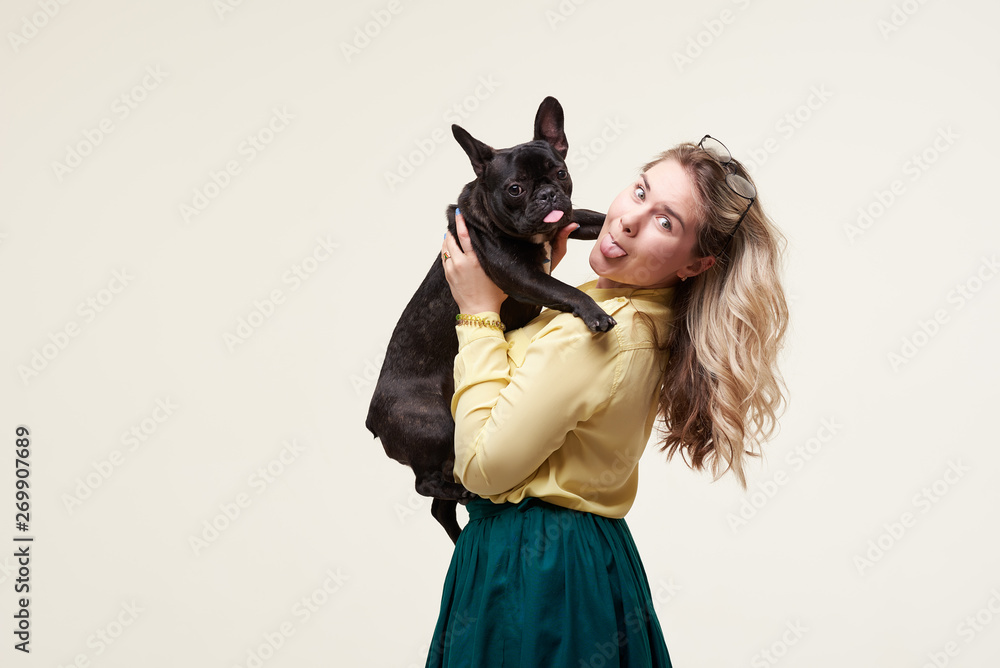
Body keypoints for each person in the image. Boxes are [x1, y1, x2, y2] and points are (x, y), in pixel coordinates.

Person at [426, 136, 789, 667]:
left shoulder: (597, 335)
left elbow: (482, 469)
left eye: (667, 222)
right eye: (640, 191)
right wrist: (530, 279)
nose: (627, 220)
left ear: (696, 264)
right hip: (586, 561)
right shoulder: (631, 316)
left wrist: (478, 314)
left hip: (533, 571)